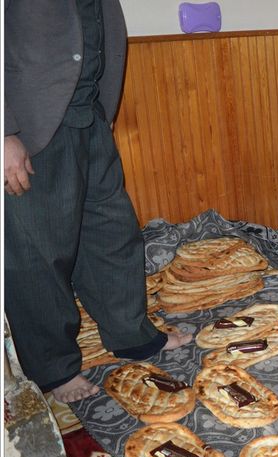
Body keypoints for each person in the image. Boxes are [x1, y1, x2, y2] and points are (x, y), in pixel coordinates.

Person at [4, 0, 191, 403]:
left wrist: (104, 107)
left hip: (90, 114)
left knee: (112, 232)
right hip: (30, 127)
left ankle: (131, 335)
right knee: (38, 255)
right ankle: (54, 369)